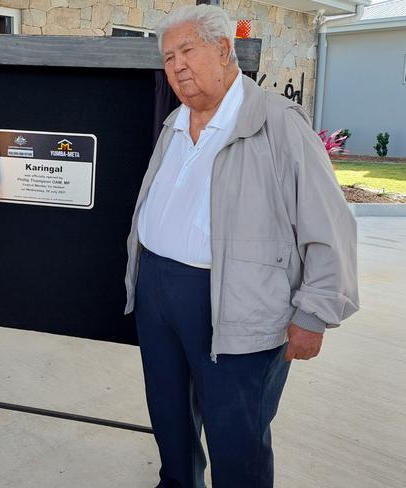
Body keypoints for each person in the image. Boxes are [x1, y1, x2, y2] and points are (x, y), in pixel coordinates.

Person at [124, 5, 358, 488]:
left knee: (238, 434)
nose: (177, 66)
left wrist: (314, 313)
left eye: (187, 50)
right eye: (168, 58)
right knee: (168, 414)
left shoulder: (278, 123)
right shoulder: (174, 124)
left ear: (224, 49)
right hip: (159, 290)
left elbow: (330, 226)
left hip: (239, 302)